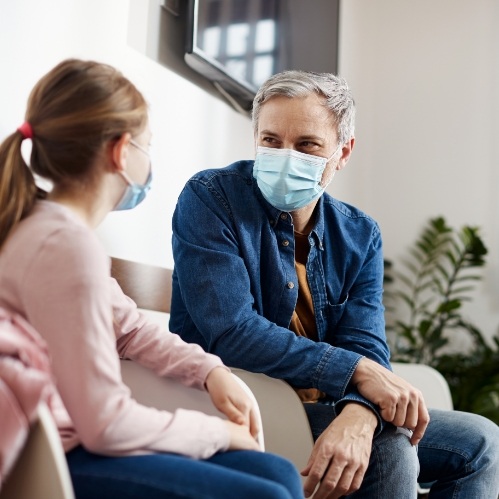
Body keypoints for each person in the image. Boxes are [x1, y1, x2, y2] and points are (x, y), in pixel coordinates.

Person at [170, 70, 499, 499]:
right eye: (271, 141)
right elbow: (232, 332)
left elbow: (366, 342)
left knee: (482, 444)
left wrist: (361, 413)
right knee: (390, 448)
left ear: (343, 152)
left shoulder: (360, 234)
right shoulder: (211, 198)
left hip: (325, 406)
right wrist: (359, 374)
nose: (285, 156)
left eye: (306, 144)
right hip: (242, 402)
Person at [0, 59, 305, 499]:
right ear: (121, 153)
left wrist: (209, 372)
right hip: (57, 459)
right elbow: (105, 424)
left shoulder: (48, 228)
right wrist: (216, 432)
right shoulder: (65, 245)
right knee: (271, 490)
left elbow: (129, 330)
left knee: (279, 475)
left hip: (75, 442)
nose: (149, 161)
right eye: (148, 146)